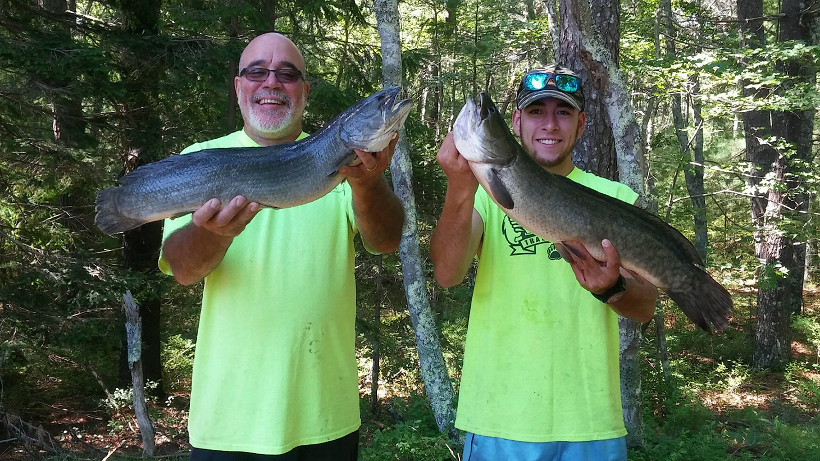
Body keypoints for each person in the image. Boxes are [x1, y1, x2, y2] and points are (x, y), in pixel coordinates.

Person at [158, 32, 404, 460]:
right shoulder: (197, 158)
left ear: (304, 91)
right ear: (239, 86)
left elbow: (386, 241)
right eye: (257, 71)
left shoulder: (345, 166)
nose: (272, 82)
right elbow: (182, 269)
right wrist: (213, 233)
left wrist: (369, 184)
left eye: (287, 75)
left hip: (326, 417)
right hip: (228, 423)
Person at [430, 65, 657, 460]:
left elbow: (645, 307)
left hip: (591, 426)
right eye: (536, 111)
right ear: (516, 121)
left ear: (581, 124)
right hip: (497, 419)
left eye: (563, 112)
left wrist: (613, 288)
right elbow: (448, 274)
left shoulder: (618, 200)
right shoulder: (484, 194)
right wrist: (458, 187)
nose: (549, 124)